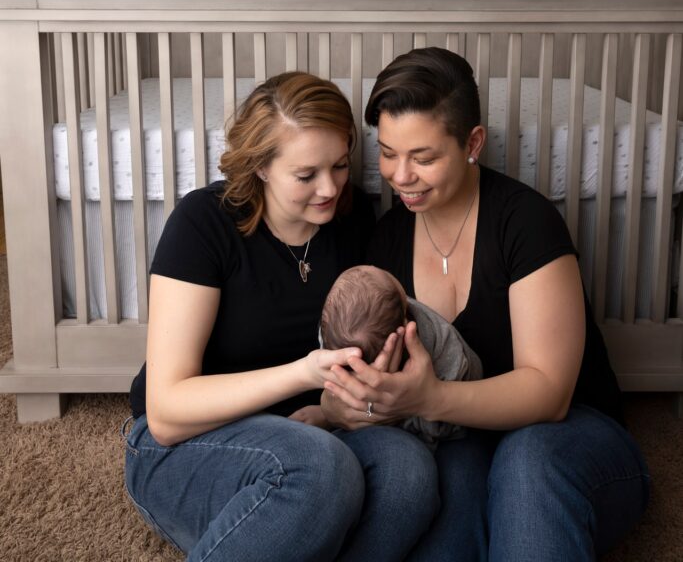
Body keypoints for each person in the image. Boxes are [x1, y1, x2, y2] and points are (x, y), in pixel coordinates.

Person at [321, 47, 650, 561]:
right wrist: (348, 402)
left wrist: (427, 398)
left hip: (570, 434)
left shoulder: (525, 222)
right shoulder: (386, 242)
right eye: (387, 152)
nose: (400, 175)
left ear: (473, 142)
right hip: (463, 438)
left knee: (527, 460)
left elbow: (549, 394)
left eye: (423, 157)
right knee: (442, 499)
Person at [123, 71, 438, 562]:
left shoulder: (353, 220)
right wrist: (303, 374)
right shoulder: (204, 224)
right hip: (187, 442)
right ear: (262, 168)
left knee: (409, 471)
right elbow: (166, 414)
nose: (330, 188)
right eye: (306, 175)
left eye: (338, 165)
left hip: (313, 430)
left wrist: (339, 409)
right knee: (321, 467)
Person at [320, 263, 482, 448]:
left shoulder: (437, 339)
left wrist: (410, 411)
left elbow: (466, 376)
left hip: (457, 397)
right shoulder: (332, 332)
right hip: (397, 420)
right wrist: (331, 403)